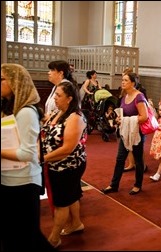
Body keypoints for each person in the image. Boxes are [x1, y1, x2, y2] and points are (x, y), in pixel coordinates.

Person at [1, 63, 55, 251]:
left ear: (15, 82)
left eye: (2, 79)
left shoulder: (26, 112)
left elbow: (27, 153)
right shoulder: (9, 108)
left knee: (27, 238)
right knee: (13, 236)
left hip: (23, 183)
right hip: (8, 179)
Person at [41, 81, 87, 248]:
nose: (55, 98)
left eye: (58, 95)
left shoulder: (75, 117)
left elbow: (67, 149)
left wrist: (43, 158)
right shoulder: (57, 112)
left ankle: (54, 238)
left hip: (68, 166)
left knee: (61, 202)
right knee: (71, 195)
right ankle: (76, 223)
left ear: (69, 98)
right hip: (56, 164)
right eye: (55, 94)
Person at [101, 72, 148, 195]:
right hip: (125, 132)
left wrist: (126, 120)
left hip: (136, 133)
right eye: (122, 80)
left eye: (126, 80)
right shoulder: (124, 97)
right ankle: (114, 185)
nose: (122, 82)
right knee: (120, 158)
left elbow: (144, 117)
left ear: (133, 83)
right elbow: (123, 114)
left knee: (138, 160)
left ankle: (138, 185)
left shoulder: (139, 97)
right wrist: (118, 119)